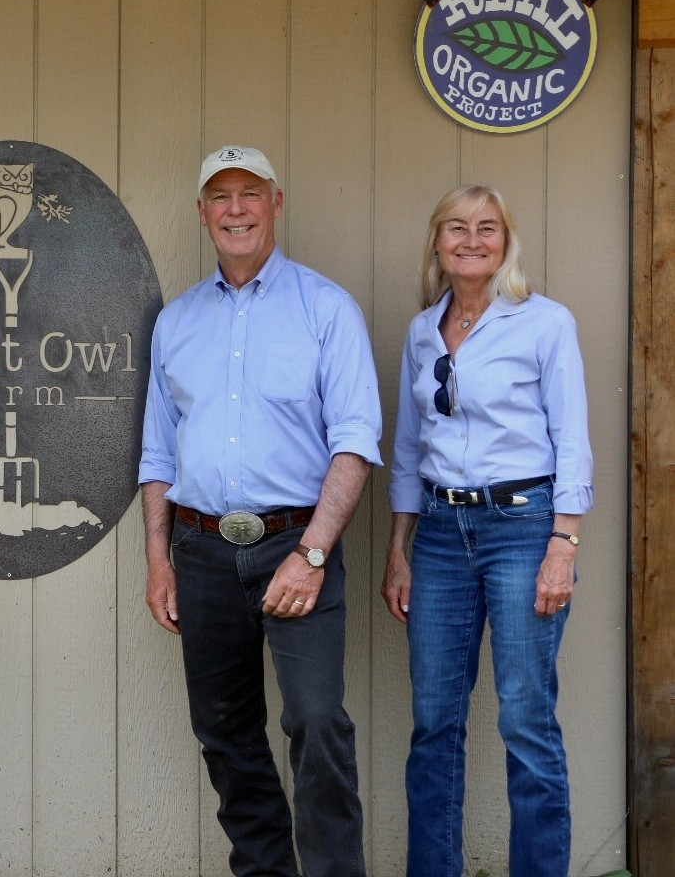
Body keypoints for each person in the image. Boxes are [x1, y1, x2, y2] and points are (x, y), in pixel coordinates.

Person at [139, 145, 381, 877]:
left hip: (294, 543)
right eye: (220, 196)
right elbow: (157, 456)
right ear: (201, 213)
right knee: (224, 731)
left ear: (276, 203)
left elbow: (355, 442)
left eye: (250, 193)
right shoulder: (175, 322)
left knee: (315, 721)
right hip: (202, 552)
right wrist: (158, 561)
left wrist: (310, 555)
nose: (235, 208)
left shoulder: (325, 308)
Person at [381, 183, 591, 877]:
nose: (471, 240)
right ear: (435, 242)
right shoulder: (421, 332)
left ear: (506, 240)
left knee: (525, 722)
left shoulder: (542, 322)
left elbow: (572, 439)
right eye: (455, 227)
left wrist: (562, 544)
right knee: (433, 725)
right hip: (439, 535)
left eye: (487, 227)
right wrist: (398, 550)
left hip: (522, 529)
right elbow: (409, 449)